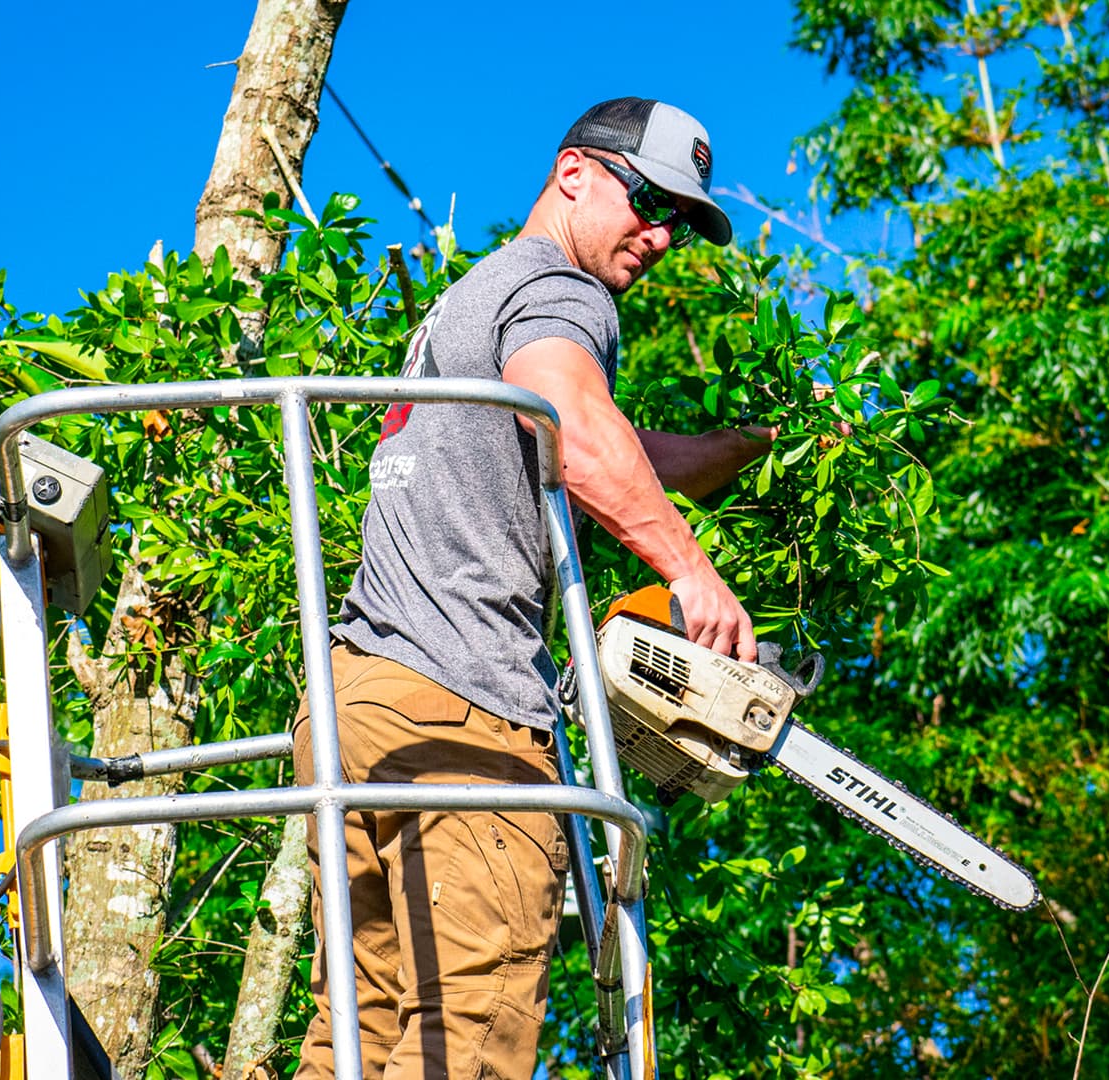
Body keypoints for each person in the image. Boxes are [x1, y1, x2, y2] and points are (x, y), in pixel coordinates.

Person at [292, 97, 777, 1078]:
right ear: (573, 176)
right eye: (648, 200)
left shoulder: (475, 303)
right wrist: (691, 572)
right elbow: (582, 434)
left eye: (679, 222)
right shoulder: (563, 291)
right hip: (464, 716)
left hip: (360, 703)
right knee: (461, 1040)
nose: (660, 234)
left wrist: (739, 450)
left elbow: (594, 441)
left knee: (357, 1036)